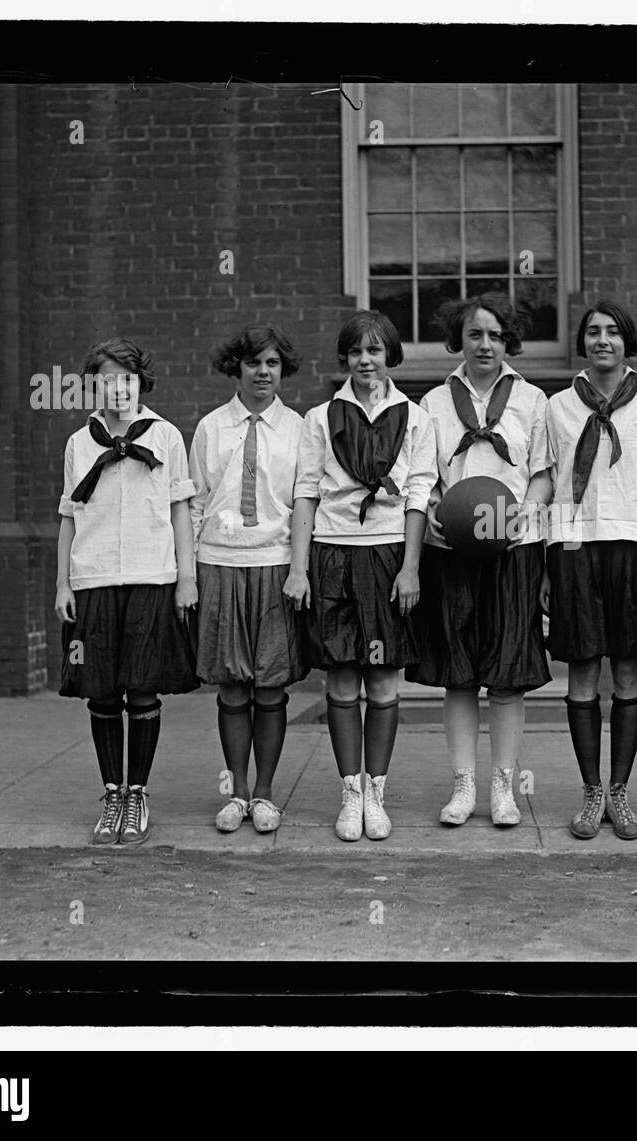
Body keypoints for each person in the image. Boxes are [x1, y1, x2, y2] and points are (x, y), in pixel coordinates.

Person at [285, 311, 436, 842]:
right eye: (355, 352)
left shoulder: (415, 418)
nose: (365, 361)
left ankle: (377, 789)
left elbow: (419, 494)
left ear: (389, 356)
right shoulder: (320, 418)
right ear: (344, 359)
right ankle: (349, 791)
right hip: (333, 552)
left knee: (383, 677)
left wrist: (411, 567)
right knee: (343, 675)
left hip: (388, 556)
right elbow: (306, 491)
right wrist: (298, 569)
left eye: (374, 350)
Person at [407, 294, 552, 827]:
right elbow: (422, 476)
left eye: (494, 335)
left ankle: (503, 788)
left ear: (507, 341)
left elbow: (542, 473)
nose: (484, 344)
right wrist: (433, 517)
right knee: (459, 673)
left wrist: (524, 517)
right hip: (451, 551)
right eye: (474, 335)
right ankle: (464, 785)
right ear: (458, 341)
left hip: (513, 549)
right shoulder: (433, 404)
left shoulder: (533, 400)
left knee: (507, 674)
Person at [55, 337, 198, 846]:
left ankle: (137, 793)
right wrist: (62, 583)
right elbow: (70, 516)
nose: (117, 388)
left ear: (141, 383)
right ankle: (111, 793)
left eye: (127, 379)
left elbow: (181, 510)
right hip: (92, 579)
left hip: (150, 577)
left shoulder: (165, 437)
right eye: (107, 379)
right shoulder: (79, 442)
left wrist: (186, 578)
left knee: (141, 686)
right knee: (101, 689)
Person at [541, 301, 637, 840]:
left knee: (629, 670)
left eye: (613, 331)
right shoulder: (558, 406)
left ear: (627, 340)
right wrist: (548, 561)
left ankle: (621, 790)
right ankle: (592, 792)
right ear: (582, 342)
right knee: (584, 669)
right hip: (574, 545)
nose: (602, 340)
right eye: (593, 332)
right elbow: (550, 480)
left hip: (633, 545)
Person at [190, 325, 309, 834]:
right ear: (235, 368)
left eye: (273, 364)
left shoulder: (300, 428)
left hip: (275, 562)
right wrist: (189, 575)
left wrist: (299, 569)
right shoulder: (211, 427)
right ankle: (236, 793)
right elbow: (194, 504)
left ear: (283, 370)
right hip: (219, 562)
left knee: (269, 685)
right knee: (233, 686)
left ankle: (264, 795)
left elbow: (305, 500)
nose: (264, 373)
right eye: (254, 363)